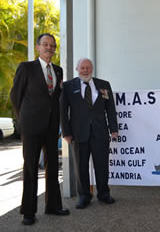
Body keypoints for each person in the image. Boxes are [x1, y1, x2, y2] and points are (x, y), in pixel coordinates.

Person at [10, 33, 69, 226]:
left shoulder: (58, 71)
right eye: (45, 44)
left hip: (52, 128)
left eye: (52, 45)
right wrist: (24, 121)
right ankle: (28, 211)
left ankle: (53, 206)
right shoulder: (26, 68)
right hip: (31, 127)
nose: (49, 48)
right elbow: (15, 96)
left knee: (53, 168)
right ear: (38, 47)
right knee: (31, 168)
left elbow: (55, 100)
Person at [60, 58, 118, 209]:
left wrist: (114, 129)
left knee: (102, 165)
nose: (85, 70)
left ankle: (104, 194)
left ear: (92, 69)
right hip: (78, 134)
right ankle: (84, 196)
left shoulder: (104, 85)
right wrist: (66, 132)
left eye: (88, 68)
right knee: (81, 167)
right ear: (77, 69)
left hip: (100, 133)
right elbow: (63, 111)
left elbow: (110, 109)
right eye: (82, 68)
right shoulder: (68, 86)